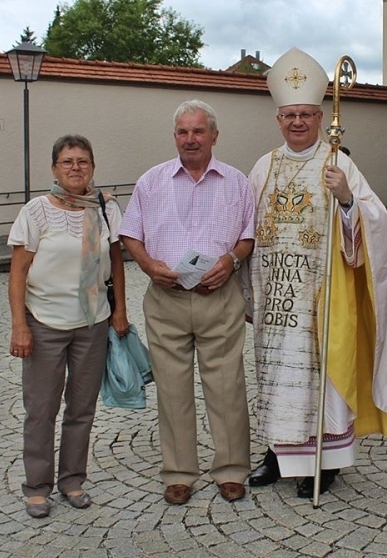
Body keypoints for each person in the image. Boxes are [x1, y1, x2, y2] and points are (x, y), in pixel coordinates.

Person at [247, 47, 387, 498]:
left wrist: (347, 200)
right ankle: (275, 454)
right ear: (278, 119)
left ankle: (325, 462)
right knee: (276, 377)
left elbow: (376, 221)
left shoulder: (339, 162)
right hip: (275, 298)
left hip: (323, 296)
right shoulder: (263, 167)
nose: (298, 122)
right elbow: (246, 229)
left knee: (319, 380)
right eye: (290, 115)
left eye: (307, 114)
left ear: (321, 117)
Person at [120, 100, 254, 505]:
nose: (190, 139)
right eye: (183, 131)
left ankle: (231, 469)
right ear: (175, 136)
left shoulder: (237, 182)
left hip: (219, 297)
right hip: (166, 298)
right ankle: (179, 472)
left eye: (198, 131)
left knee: (226, 385)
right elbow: (130, 234)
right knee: (172, 389)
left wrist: (231, 261)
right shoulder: (150, 181)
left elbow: (248, 236)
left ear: (214, 135)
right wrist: (146, 265)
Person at [8, 134, 129, 518]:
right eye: (67, 161)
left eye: (82, 161)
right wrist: (19, 326)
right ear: (54, 168)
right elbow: (18, 274)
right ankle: (37, 486)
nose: (75, 168)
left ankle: (72, 480)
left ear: (92, 166)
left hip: (92, 323)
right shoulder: (36, 211)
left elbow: (117, 261)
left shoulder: (106, 207)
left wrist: (119, 311)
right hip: (44, 322)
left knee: (82, 409)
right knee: (41, 409)